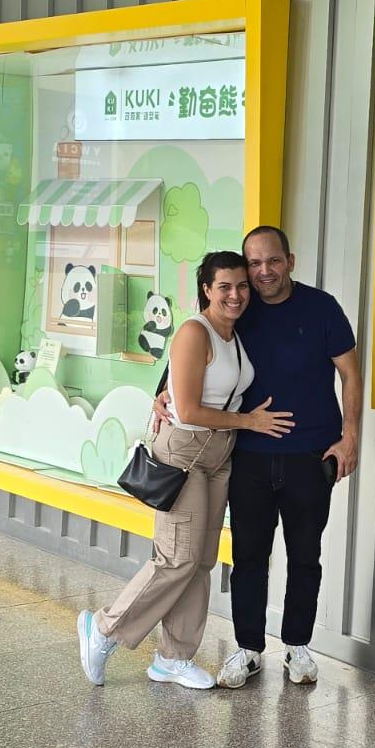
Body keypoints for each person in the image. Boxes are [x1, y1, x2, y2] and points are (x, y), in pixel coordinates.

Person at [154, 225, 362, 687]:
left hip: (311, 455)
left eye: (273, 260)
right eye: (254, 264)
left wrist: (350, 436)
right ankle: (247, 649)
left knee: (305, 555)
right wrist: (160, 394)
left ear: (290, 261)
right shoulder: (237, 308)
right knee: (248, 556)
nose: (264, 271)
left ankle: (298, 647)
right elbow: (187, 355)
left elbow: (350, 373)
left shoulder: (322, 308)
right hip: (246, 456)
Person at [77, 251, 293, 689]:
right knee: (177, 558)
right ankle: (103, 628)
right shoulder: (196, 331)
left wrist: (167, 396)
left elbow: (182, 384)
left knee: (201, 561)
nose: (235, 295)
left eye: (242, 286)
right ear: (206, 290)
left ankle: (173, 658)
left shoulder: (234, 333)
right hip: (185, 451)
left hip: (219, 455)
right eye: (224, 287)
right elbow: (190, 410)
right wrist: (249, 422)